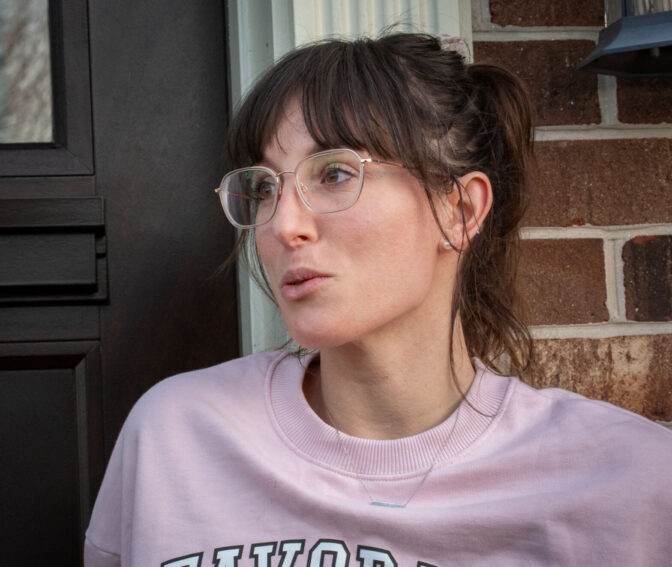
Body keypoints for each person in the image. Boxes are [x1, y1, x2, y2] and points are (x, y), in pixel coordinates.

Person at [84, 33, 672, 566]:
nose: (284, 225)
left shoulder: (632, 485)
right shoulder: (175, 438)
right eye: (264, 186)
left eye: (335, 173)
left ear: (460, 210)